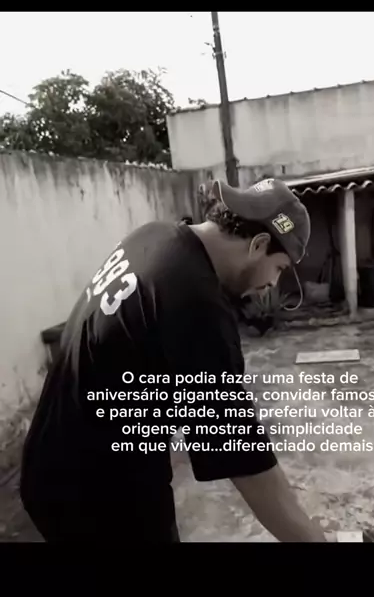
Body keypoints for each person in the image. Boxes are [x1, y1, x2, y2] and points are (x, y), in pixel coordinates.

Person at [20, 177, 327, 543]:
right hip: (95, 494)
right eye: (279, 268)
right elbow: (244, 459)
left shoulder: (153, 236)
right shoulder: (195, 302)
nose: (273, 285)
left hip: (53, 460)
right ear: (258, 244)